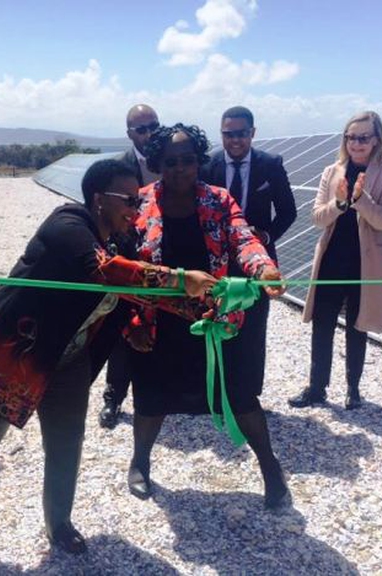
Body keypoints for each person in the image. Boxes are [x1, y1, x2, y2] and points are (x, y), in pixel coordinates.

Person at [0, 159, 216, 556]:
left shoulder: (121, 241)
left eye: (138, 200)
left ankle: (59, 524)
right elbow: (105, 271)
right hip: (15, 353)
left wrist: (203, 307)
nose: (135, 209)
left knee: (66, 442)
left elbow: (139, 290)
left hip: (70, 359)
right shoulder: (66, 225)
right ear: (98, 199)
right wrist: (182, 279)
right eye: (128, 200)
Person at [126, 123, 291, 510]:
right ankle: (140, 462)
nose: (180, 169)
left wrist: (263, 268)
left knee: (240, 396)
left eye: (187, 161)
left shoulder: (219, 199)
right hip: (157, 322)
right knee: (150, 398)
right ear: (157, 164)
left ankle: (271, 468)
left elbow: (243, 238)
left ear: (199, 161)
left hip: (213, 320)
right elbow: (126, 264)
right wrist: (131, 320)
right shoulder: (140, 203)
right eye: (170, 162)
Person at [288, 111, 382, 410]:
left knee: (357, 327)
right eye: (350, 137)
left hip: (365, 264)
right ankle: (317, 387)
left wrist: (360, 199)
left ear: (376, 140)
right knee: (322, 325)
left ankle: (353, 389)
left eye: (363, 137)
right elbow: (317, 218)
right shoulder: (331, 171)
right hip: (332, 259)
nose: (355, 143)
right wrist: (339, 203)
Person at [201, 105, 297, 407]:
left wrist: (265, 237)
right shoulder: (208, 166)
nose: (235, 140)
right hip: (218, 262)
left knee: (254, 327)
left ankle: (249, 395)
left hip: (259, 262)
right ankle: (217, 392)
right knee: (217, 321)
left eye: (241, 134)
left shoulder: (270, 164)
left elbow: (288, 211)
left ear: (252, 133)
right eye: (228, 134)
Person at [98, 104, 161, 429]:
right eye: (141, 129)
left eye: (154, 126)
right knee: (124, 327)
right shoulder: (117, 168)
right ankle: (114, 397)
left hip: (164, 258)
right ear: (129, 134)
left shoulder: (171, 159)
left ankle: (162, 394)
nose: (149, 134)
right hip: (128, 256)